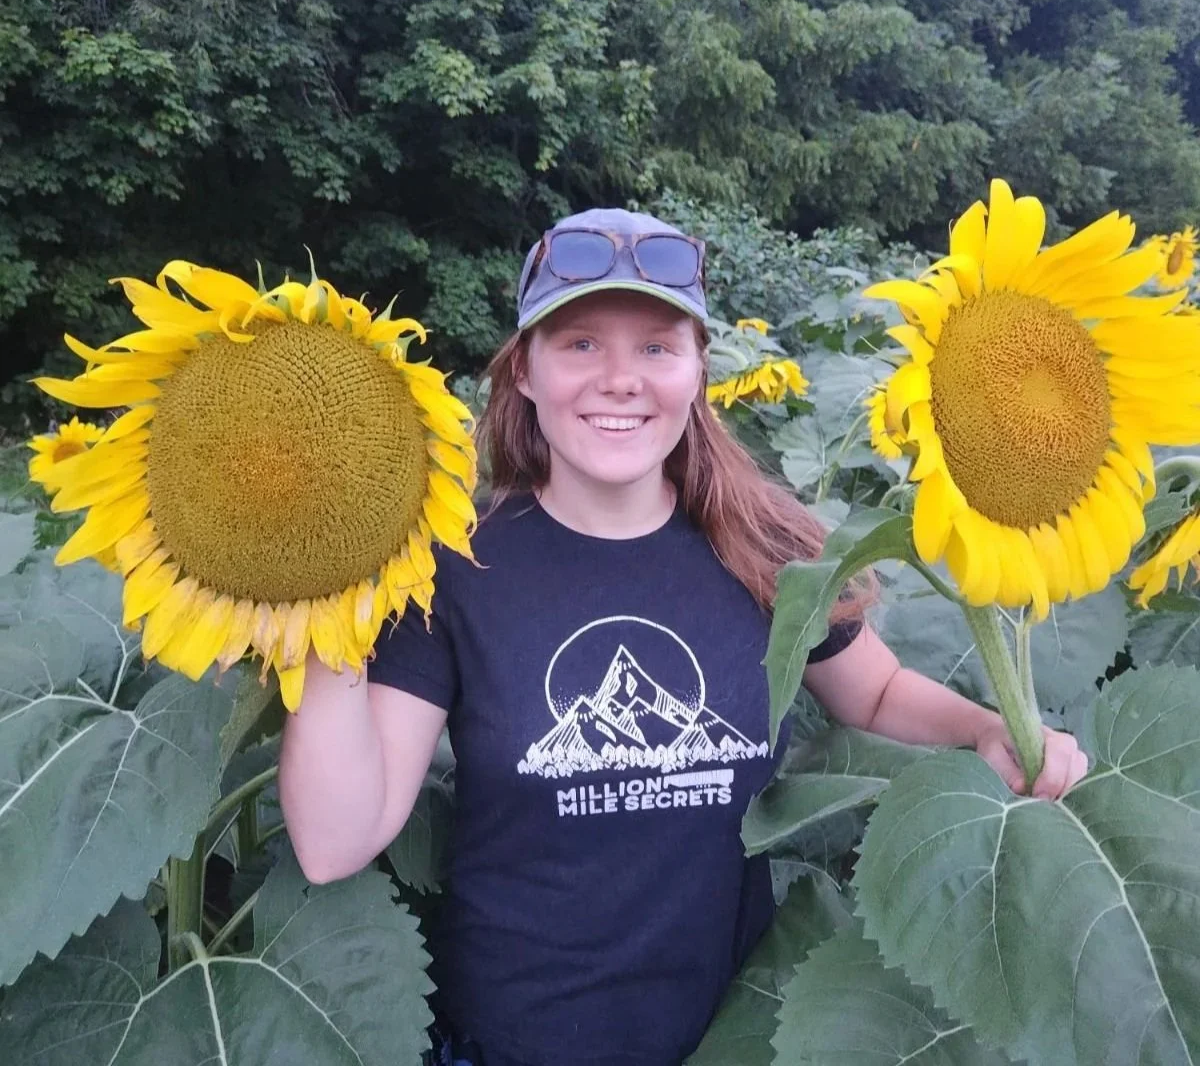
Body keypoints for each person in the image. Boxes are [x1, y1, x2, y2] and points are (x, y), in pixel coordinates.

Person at [279, 208, 1089, 1066]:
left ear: (700, 369)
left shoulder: (764, 549)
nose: (620, 379)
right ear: (523, 371)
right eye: (580, 344)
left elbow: (877, 691)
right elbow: (336, 843)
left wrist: (985, 727)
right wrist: (329, 600)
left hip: (733, 1034)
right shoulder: (450, 571)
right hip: (516, 1042)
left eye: (657, 347)